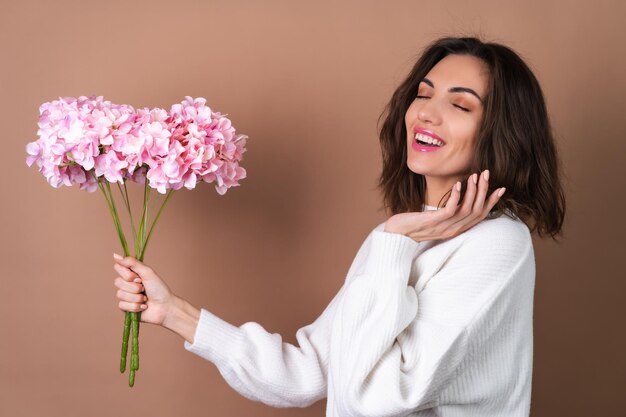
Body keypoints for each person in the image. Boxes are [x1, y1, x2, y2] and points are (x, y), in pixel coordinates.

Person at [112, 36, 566, 416]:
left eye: (460, 105)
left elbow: (375, 400)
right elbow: (307, 372)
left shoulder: (498, 242)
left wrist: (396, 242)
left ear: (501, 133)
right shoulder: (397, 238)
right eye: (423, 94)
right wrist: (173, 312)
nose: (426, 113)